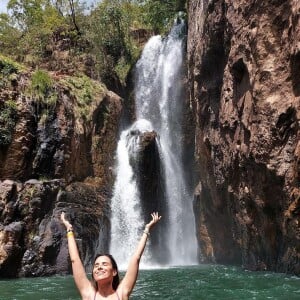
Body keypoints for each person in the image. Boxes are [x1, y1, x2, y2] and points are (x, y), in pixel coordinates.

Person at [60, 211, 161, 300]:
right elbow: (75, 259)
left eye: (104, 264)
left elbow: (136, 258)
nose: (99, 267)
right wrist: (69, 230)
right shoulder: (88, 294)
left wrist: (147, 229)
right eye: (96, 265)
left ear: (114, 271)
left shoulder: (121, 294)